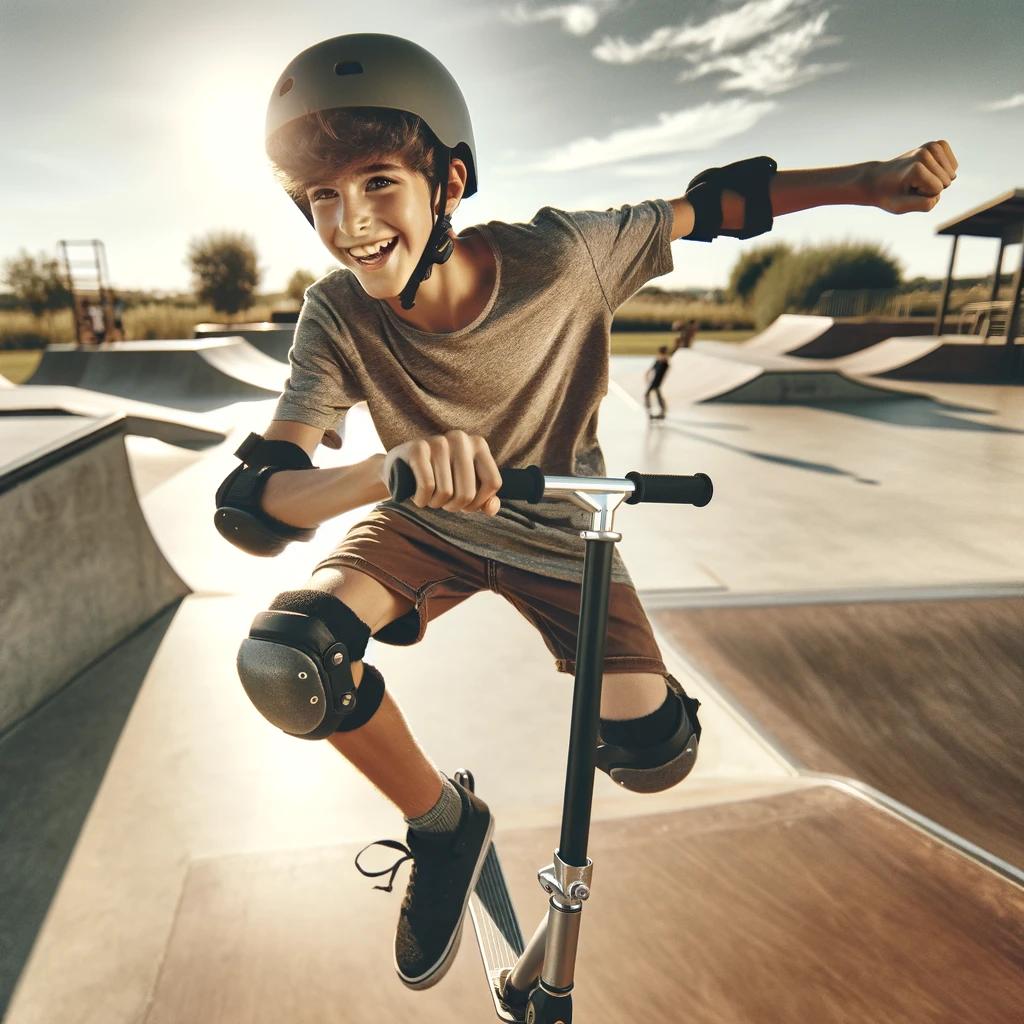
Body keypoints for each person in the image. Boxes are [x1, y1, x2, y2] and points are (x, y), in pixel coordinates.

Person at [214, 31, 957, 992]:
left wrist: (869, 181)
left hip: (564, 532)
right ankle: (445, 828)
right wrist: (384, 470)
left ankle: (649, 717)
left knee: (653, 761)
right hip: (421, 525)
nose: (350, 223)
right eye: (321, 198)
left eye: (377, 183)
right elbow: (257, 502)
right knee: (287, 658)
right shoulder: (337, 313)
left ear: (450, 179)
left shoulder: (567, 257)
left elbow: (716, 206)